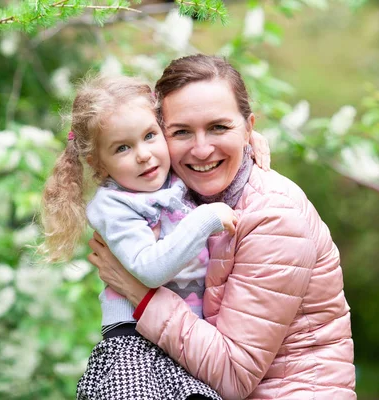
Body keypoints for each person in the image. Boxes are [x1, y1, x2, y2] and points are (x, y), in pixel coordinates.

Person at [88, 55, 356, 400]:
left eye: (219, 127)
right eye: (181, 131)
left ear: (248, 128)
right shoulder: (185, 196)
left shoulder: (275, 217)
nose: (201, 150)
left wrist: (139, 292)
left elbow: (232, 374)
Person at [39, 75, 271, 400]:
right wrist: (206, 218)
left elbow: (206, 154)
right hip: (136, 342)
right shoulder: (115, 205)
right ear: (97, 162)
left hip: (182, 336)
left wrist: (248, 141)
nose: (143, 154)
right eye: (122, 147)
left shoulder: (169, 177)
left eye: (150, 136)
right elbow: (149, 269)